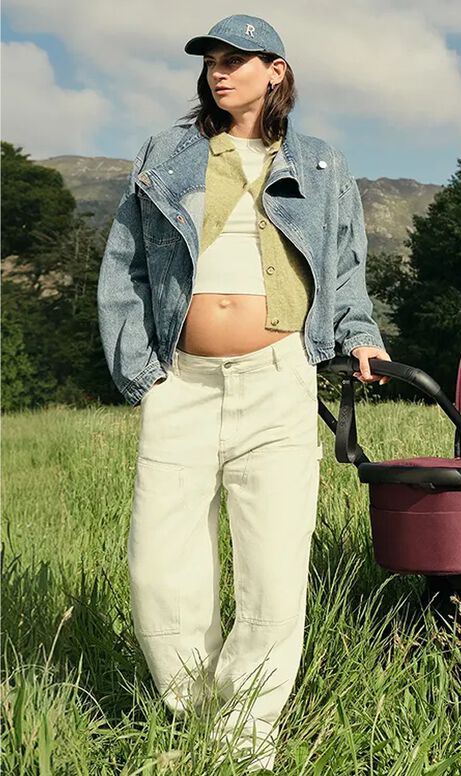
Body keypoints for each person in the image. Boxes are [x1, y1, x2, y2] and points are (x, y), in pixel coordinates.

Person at [96, 14, 391, 772]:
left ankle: (245, 739)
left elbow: (346, 266)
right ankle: (196, 717)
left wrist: (359, 333)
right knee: (161, 568)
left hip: (277, 380)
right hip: (182, 383)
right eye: (211, 62)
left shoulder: (321, 165)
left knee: (272, 571)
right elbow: (125, 262)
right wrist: (142, 368)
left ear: (277, 71)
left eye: (237, 61)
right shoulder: (171, 152)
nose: (219, 73)